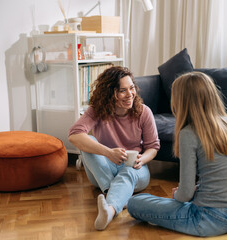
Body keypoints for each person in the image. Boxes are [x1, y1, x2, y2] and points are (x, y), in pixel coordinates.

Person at [127, 71, 227, 237]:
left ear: (182, 102)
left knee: (135, 202)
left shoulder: (188, 133)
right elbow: (224, 176)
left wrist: (179, 194)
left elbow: (184, 195)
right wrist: (195, 190)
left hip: (209, 219)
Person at [68, 66, 160, 231]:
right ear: (110, 93)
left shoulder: (144, 112)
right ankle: (118, 194)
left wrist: (142, 159)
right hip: (103, 168)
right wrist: (108, 153)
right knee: (87, 140)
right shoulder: (97, 110)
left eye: (131, 88)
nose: (130, 94)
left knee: (129, 171)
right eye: (122, 91)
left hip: (135, 169)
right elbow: (74, 135)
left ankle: (109, 211)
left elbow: (153, 147)